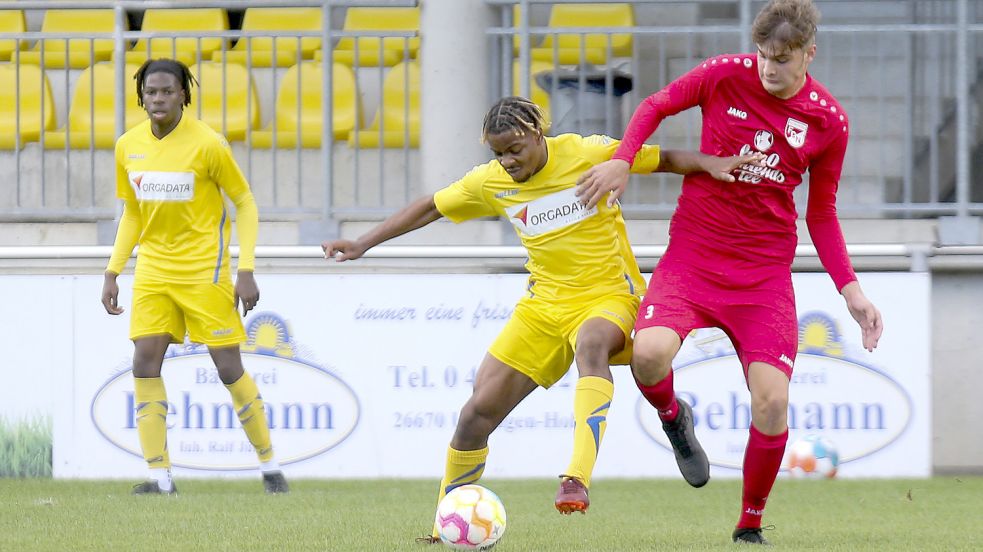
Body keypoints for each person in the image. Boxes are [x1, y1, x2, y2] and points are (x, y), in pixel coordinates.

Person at [321, 96, 763, 540]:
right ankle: (446, 525)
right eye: (498, 153)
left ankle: (576, 478)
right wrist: (364, 243)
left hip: (609, 295)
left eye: (515, 149)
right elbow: (432, 205)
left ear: (538, 133)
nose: (507, 161)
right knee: (475, 415)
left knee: (590, 346)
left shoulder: (587, 152)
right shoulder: (491, 182)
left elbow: (661, 158)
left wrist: (710, 162)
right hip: (543, 307)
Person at [575, 0, 884, 545]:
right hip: (693, 254)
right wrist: (624, 156)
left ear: (809, 53)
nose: (769, 67)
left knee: (771, 400)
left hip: (762, 274)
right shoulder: (723, 74)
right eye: (764, 54)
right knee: (646, 356)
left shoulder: (828, 121)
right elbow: (655, 104)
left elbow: (822, 213)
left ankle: (749, 525)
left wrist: (851, 290)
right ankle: (675, 418)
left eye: (782, 59)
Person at [100, 58, 288, 495]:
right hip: (152, 270)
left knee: (227, 368)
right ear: (140, 96)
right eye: (151, 92)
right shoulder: (128, 146)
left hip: (205, 270)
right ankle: (159, 477)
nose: (159, 99)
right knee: (144, 362)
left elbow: (245, 202)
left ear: (185, 94)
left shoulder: (208, 144)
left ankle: (270, 466)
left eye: (168, 91)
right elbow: (132, 213)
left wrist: (245, 270)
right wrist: (113, 271)